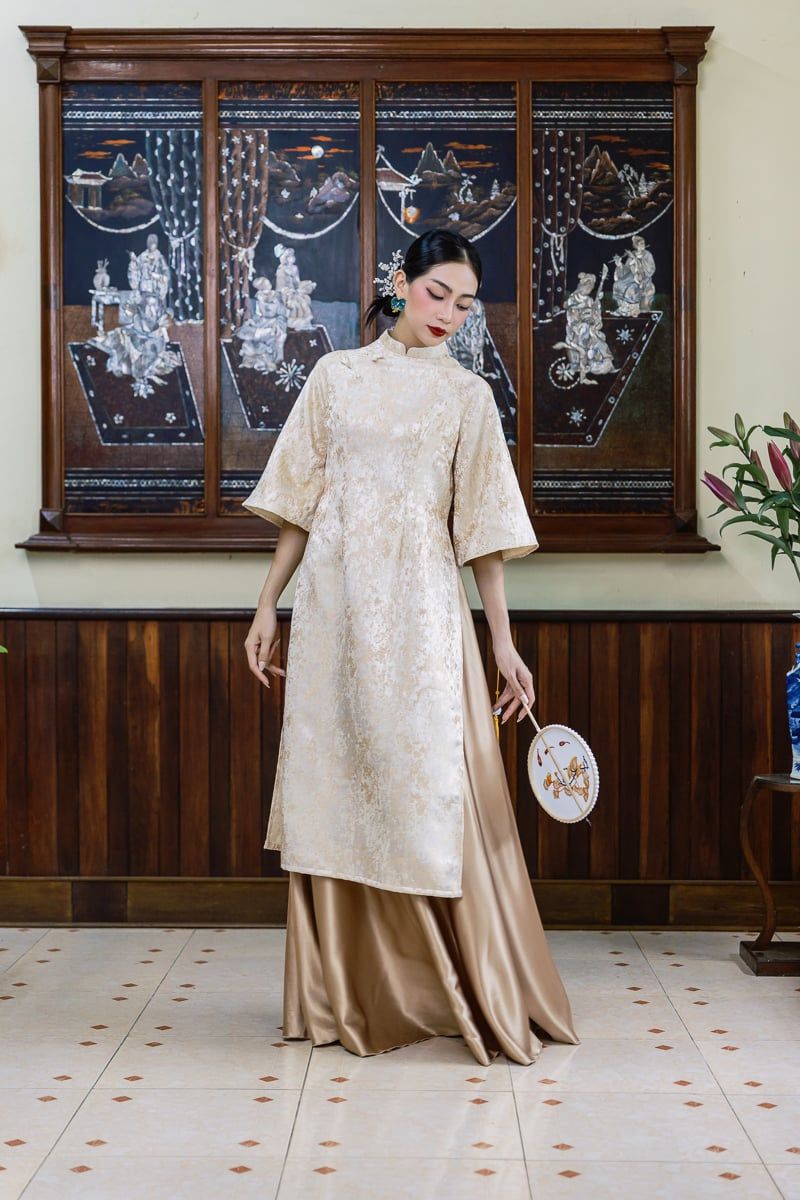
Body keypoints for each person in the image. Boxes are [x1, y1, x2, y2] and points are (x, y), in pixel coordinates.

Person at [242, 229, 579, 1066]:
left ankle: (450, 987)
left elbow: (483, 533)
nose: (449, 315)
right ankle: (342, 994)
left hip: (423, 613)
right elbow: (300, 506)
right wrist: (266, 606)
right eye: (437, 294)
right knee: (334, 785)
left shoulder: (467, 395)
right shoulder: (335, 377)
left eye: (465, 305)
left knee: (427, 787)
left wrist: (503, 643)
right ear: (401, 281)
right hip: (333, 611)